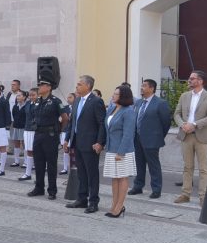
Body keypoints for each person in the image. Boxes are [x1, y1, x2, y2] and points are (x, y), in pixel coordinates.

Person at [173, 70, 207, 205]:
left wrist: (194, 124)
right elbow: (176, 114)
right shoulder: (184, 96)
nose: (189, 80)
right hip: (186, 135)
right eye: (190, 78)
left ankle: (203, 197)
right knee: (187, 167)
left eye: (192, 78)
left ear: (200, 81)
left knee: (203, 169)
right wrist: (183, 125)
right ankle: (185, 194)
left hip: (202, 136)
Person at [64, 75, 107, 213]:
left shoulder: (96, 101)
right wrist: (67, 139)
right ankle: (82, 198)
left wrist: (100, 142)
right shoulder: (77, 100)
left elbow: (102, 123)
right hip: (77, 142)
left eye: (79, 84)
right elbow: (72, 122)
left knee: (92, 174)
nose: (76, 86)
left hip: (90, 143)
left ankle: (93, 201)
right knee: (81, 173)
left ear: (88, 86)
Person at [129, 79, 171, 199]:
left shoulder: (160, 103)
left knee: (153, 165)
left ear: (152, 88)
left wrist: (158, 136)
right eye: (142, 85)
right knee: (139, 164)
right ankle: (138, 186)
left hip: (152, 140)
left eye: (144, 86)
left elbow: (166, 122)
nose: (141, 88)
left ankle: (156, 189)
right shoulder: (138, 103)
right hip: (137, 139)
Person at [27, 79, 66, 199]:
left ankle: (52, 190)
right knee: (38, 162)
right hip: (38, 134)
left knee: (51, 164)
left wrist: (58, 130)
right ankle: (39, 188)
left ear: (49, 87)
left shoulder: (56, 101)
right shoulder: (38, 101)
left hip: (50, 136)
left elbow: (65, 118)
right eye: (39, 85)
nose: (39, 87)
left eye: (42, 85)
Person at [103, 86, 137, 217]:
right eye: (114, 93)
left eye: (116, 94)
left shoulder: (128, 111)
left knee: (122, 177)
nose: (113, 95)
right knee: (114, 177)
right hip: (111, 148)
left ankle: (119, 206)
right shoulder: (112, 109)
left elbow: (128, 134)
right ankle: (114, 204)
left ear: (123, 96)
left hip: (123, 150)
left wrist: (121, 152)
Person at [19, 88, 38, 181]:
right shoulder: (27, 103)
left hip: (35, 130)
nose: (31, 97)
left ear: (38, 95)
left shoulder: (40, 104)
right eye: (30, 95)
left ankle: (38, 175)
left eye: (33, 95)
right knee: (28, 151)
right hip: (27, 129)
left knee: (37, 152)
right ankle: (28, 173)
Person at [59, 93, 75, 175]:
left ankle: (73, 168)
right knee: (65, 149)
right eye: (67, 97)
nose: (68, 99)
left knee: (72, 150)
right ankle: (65, 168)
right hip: (65, 130)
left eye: (70, 97)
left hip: (73, 132)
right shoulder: (65, 108)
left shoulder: (76, 107)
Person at [10, 89, 26, 167]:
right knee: (16, 143)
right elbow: (14, 115)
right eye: (17, 96)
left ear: (24, 97)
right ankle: (16, 161)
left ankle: (26, 161)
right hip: (16, 126)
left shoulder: (26, 106)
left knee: (24, 144)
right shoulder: (15, 107)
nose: (18, 97)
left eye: (19, 95)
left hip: (24, 127)